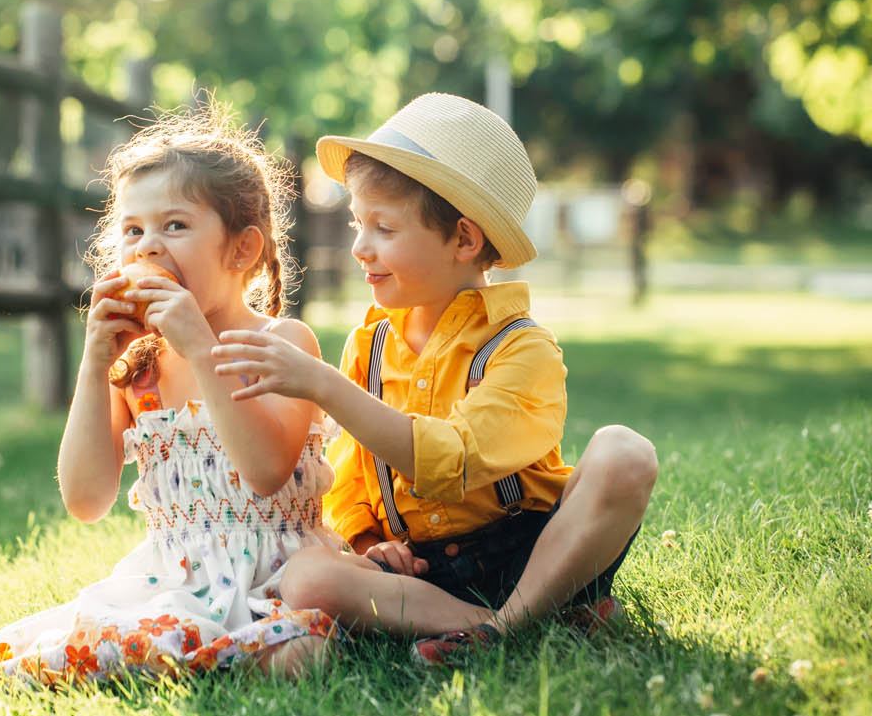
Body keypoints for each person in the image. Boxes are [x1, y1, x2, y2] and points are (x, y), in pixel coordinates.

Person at [212, 93, 658, 665]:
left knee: (625, 453)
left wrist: (324, 386)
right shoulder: (368, 346)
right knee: (306, 578)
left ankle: (511, 622)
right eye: (358, 223)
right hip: (424, 575)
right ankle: (515, 622)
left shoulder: (523, 348)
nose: (359, 246)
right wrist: (374, 545)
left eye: (384, 227)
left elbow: (451, 462)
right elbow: (352, 478)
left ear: (465, 241)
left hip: (535, 551)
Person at [0, 105, 339, 687]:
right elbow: (86, 500)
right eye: (133, 231)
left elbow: (266, 471)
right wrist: (95, 364)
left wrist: (199, 348)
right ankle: (197, 657)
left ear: (241, 251)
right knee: (52, 651)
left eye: (174, 226)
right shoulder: (137, 367)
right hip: (173, 580)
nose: (148, 249)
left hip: (278, 576)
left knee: (299, 648)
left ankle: (217, 654)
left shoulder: (282, 343)